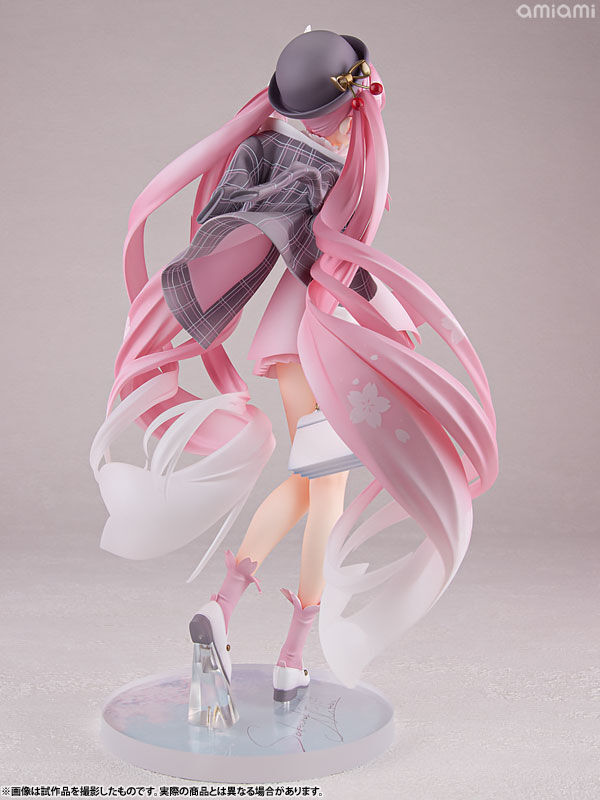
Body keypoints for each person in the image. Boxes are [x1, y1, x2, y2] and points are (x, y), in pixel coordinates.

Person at [90, 29, 498, 706]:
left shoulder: (267, 148)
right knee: (327, 493)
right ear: (347, 107)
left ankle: (223, 605)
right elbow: (330, 253)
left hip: (292, 335)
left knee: (311, 485)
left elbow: (258, 228)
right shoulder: (335, 166)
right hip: (322, 330)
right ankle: (292, 655)